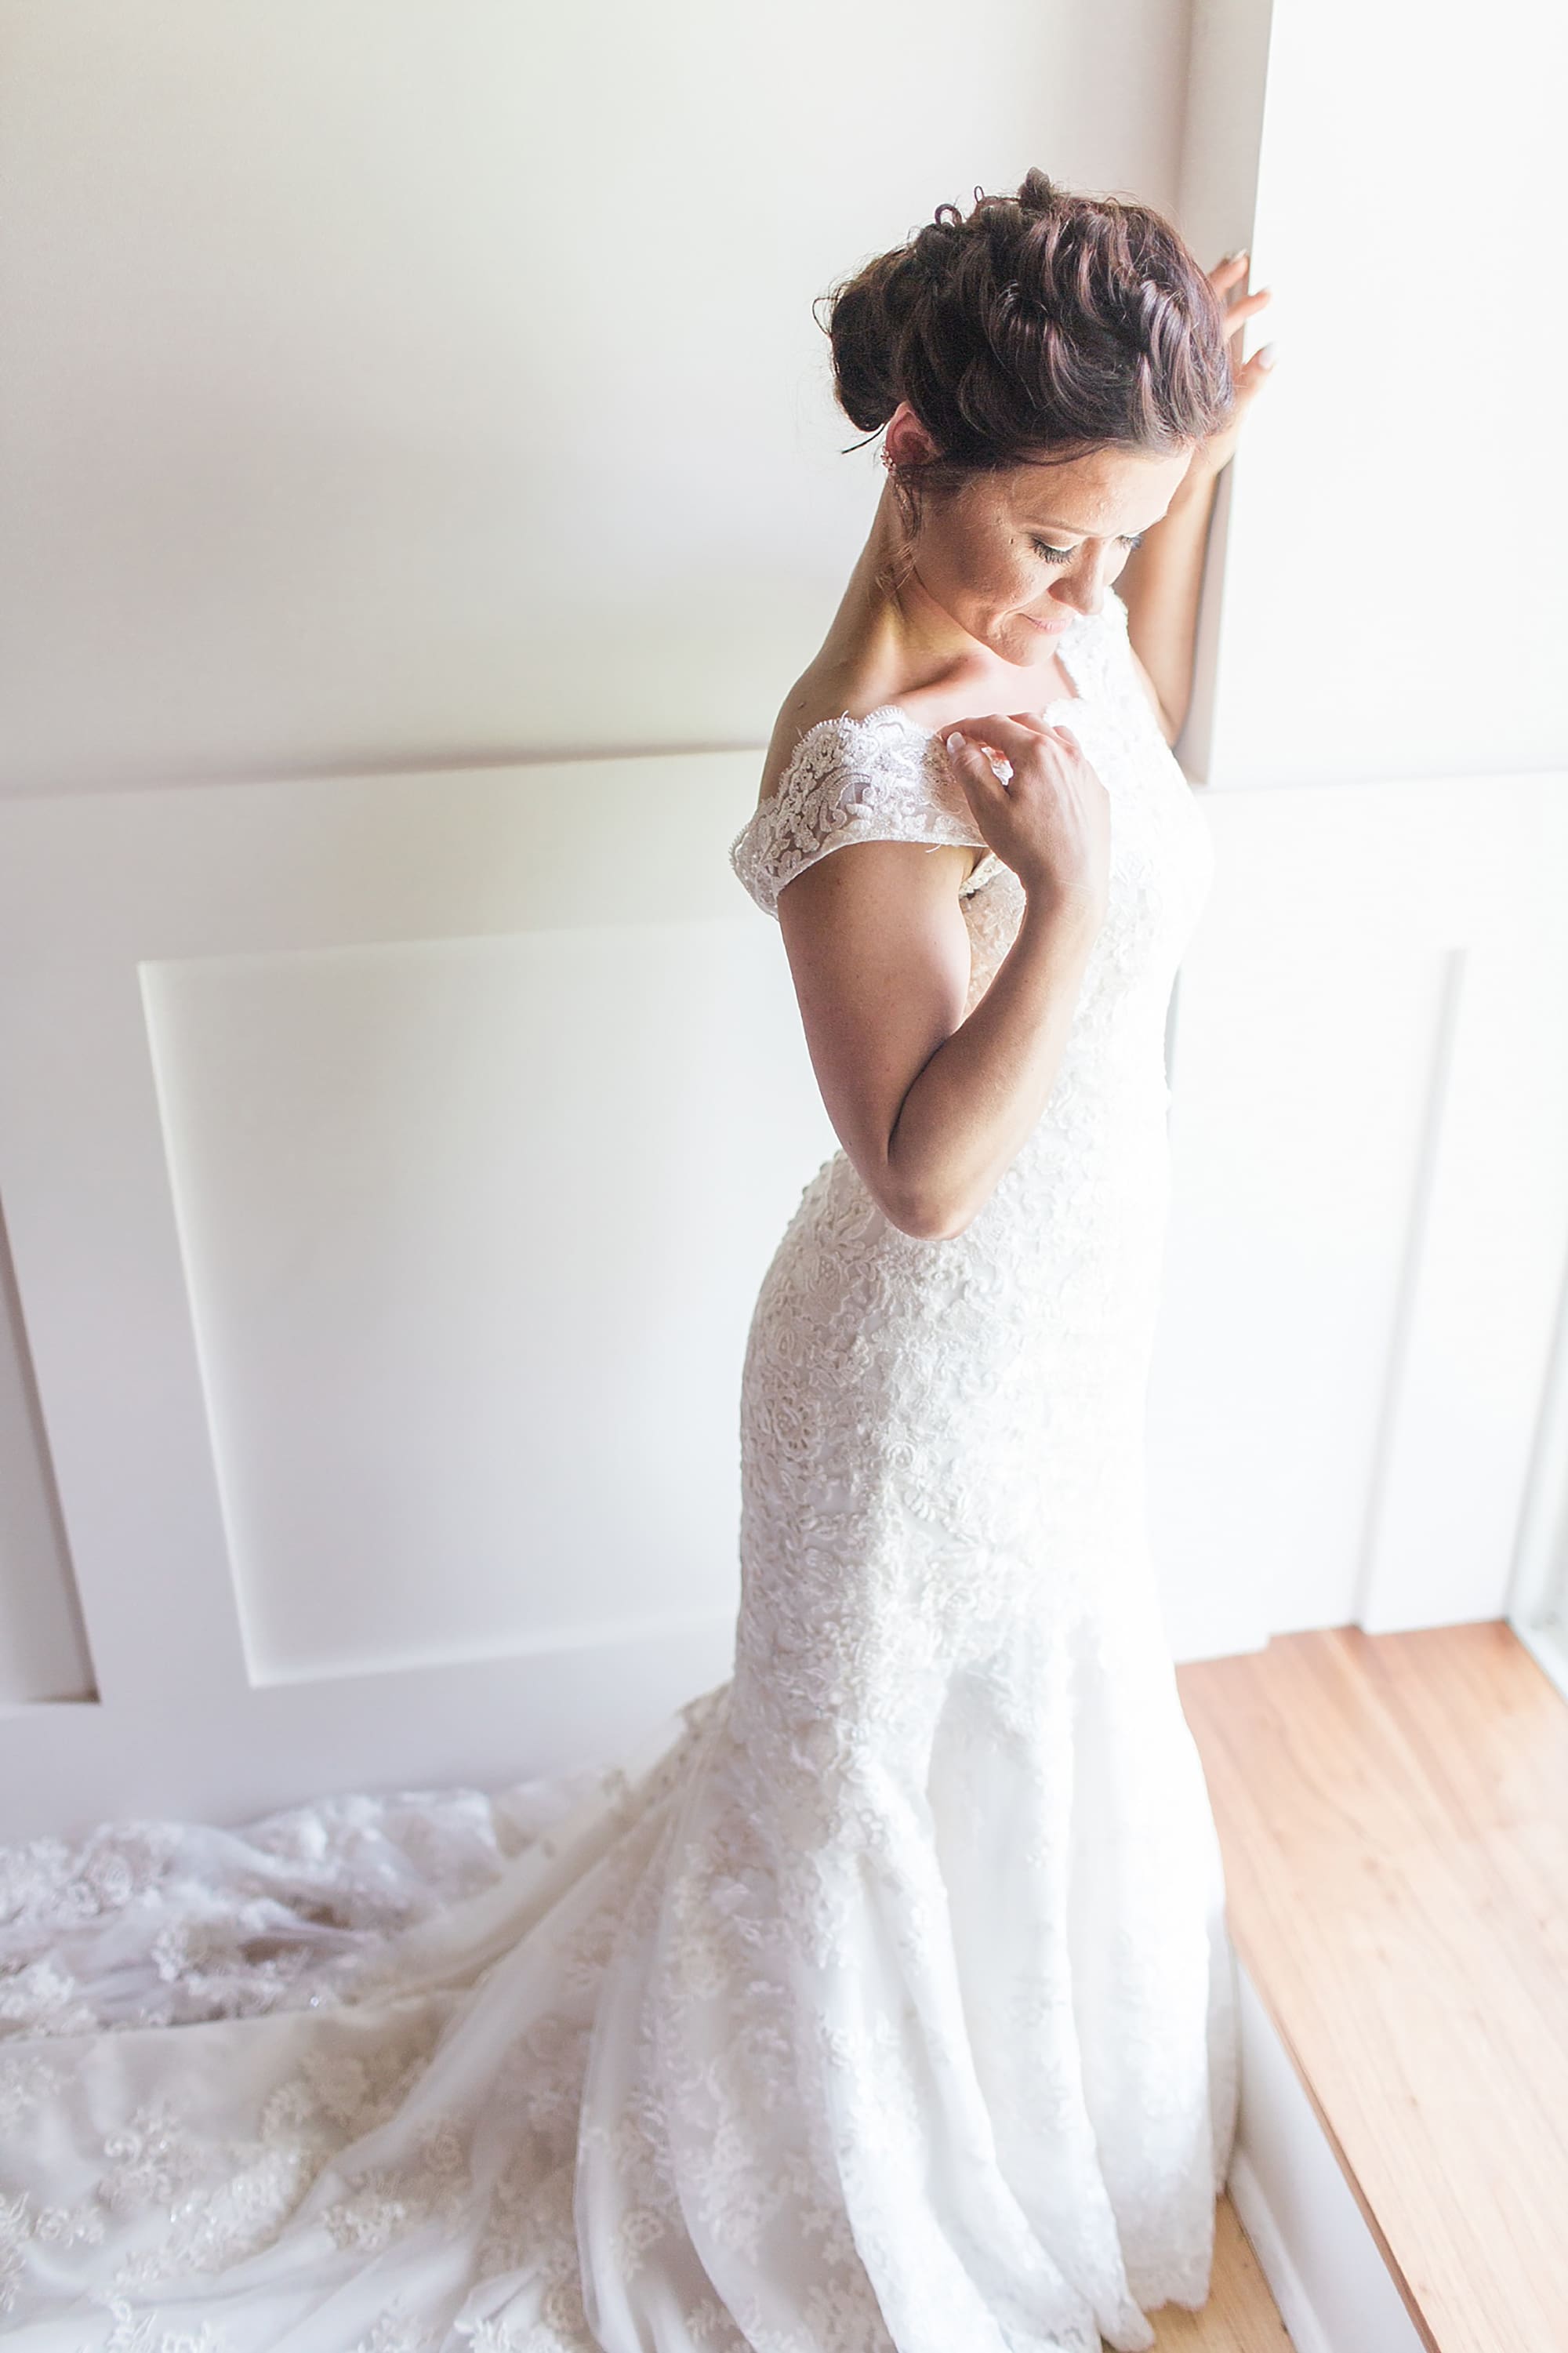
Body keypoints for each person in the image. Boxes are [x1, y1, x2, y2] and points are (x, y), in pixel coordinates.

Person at [0, 169, 1274, 2352]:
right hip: (922, 1367)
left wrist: (1196, 471)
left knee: (1026, 1714)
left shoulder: (1040, 610)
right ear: (910, 466)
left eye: (1125, 538)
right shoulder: (868, 768)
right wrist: (1059, 911)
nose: (1092, 584)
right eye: (1060, 535)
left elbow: (1130, 716)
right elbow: (925, 1171)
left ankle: (1022, 2100)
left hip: (1068, 1334)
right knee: (858, 1774)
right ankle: (820, 2178)